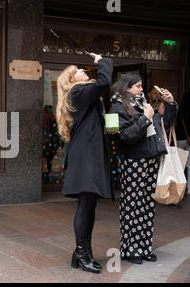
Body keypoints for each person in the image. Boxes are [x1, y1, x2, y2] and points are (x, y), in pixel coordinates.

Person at [109, 74, 177, 264]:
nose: (141, 89)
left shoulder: (143, 104)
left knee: (147, 205)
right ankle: (129, 249)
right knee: (131, 206)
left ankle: (144, 247)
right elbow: (124, 137)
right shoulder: (115, 108)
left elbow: (166, 122)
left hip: (150, 160)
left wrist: (170, 103)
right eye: (137, 86)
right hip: (132, 162)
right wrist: (146, 118)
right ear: (126, 88)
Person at [56, 53, 113, 274]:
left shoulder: (81, 93)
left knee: (89, 204)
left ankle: (82, 253)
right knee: (85, 204)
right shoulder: (78, 91)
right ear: (72, 80)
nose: (83, 70)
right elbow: (105, 82)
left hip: (88, 155)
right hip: (85, 157)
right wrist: (101, 61)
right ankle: (81, 253)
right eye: (78, 70)